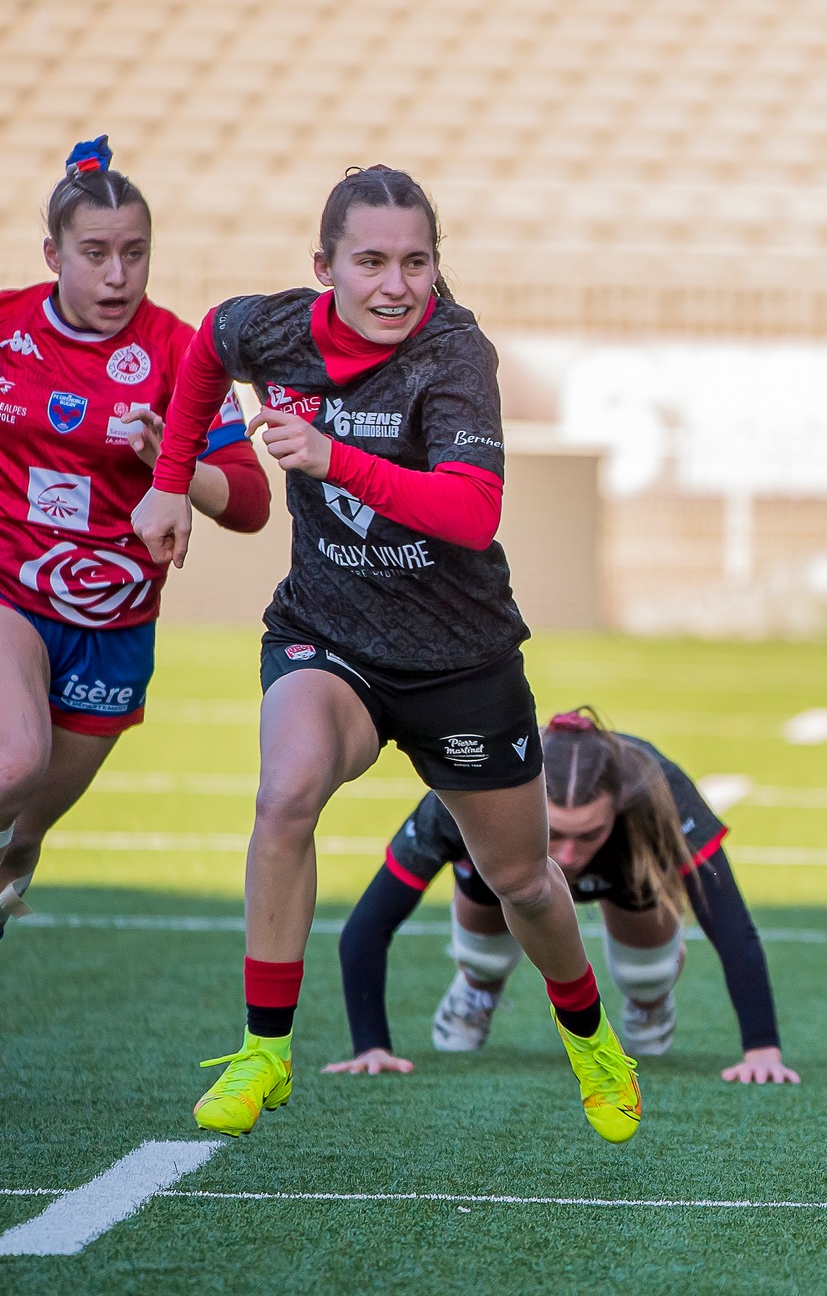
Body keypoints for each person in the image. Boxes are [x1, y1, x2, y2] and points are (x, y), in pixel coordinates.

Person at [132, 166, 642, 1143]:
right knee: (284, 794)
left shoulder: (455, 354)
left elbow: (470, 510)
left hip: (459, 658)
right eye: (370, 262)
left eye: (416, 262)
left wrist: (335, 459)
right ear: (324, 267)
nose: (395, 284)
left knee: (521, 880)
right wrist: (169, 478)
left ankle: (590, 1039)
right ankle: (265, 1051)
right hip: (330, 634)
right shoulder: (273, 329)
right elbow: (208, 345)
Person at [0, 137, 269, 936]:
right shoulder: (6, 326)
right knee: (15, 761)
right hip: (13, 590)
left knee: (21, 842)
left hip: (115, 626)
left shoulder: (183, 355)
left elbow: (251, 501)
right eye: (95, 254)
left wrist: (175, 471)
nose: (117, 275)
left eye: (135, 253)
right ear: (53, 255)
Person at [323, 709, 797, 1085]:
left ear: (618, 806)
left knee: (645, 974)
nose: (568, 857)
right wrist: (371, 1047)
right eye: (557, 832)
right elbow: (369, 925)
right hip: (508, 865)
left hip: (624, 871)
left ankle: (649, 1000)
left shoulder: (657, 790)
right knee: (486, 947)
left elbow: (731, 924)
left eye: (589, 833)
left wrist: (762, 1050)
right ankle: (478, 985)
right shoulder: (476, 792)